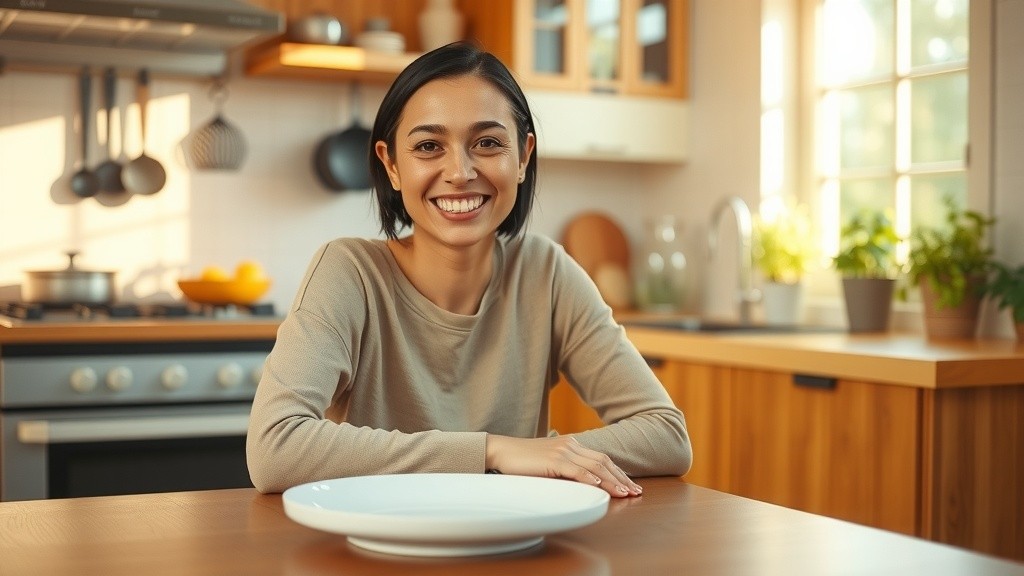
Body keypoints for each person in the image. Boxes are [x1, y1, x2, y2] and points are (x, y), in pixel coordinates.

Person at [246, 42, 692, 499]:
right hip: (379, 534)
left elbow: (667, 435)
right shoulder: (348, 272)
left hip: (515, 535)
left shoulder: (546, 273)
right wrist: (495, 452)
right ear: (391, 165)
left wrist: (547, 455)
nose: (459, 172)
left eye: (488, 143)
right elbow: (274, 447)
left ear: (523, 157)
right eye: (428, 146)